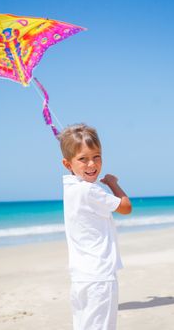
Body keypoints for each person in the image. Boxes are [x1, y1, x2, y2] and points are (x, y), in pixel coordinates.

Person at [59, 123, 132, 330]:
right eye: (83, 159)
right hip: (99, 276)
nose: (92, 164)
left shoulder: (71, 188)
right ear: (68, 164)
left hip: (81, 277)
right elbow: (126, 207)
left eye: (96, 156)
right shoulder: (90, 191)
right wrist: (112, 183)